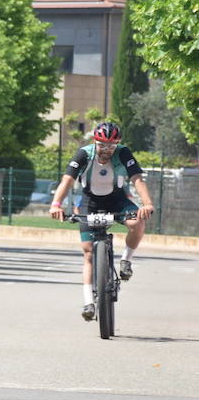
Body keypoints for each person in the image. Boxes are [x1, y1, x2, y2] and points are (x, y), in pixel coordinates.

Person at [48, 121, 155, 320]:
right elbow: (67, 181)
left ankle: (126, 261)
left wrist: (147, 203)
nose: (106, 150)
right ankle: (89, 302)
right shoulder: (83, 154)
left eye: (111, 146)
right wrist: (56, 204)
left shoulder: (123, 153)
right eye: (102, 145)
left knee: (137, 222)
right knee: (88, 251)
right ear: (94, 141)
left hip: (117, 199)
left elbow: (137, 179)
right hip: (90, 202)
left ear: (117, 144)